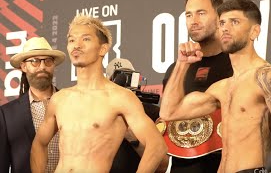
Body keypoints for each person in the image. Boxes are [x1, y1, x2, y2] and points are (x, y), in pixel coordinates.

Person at [160, 0, 271, 173]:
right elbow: (169, 112)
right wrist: (182, 64)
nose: (225, 28)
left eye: (234, 22)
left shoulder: (266, 77)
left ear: (255, 31)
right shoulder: (222, 87)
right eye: (222, 23)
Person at [30, 15, 167, 173]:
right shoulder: (60, 99)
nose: (76, 45)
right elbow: (39, 144)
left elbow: (156, 146)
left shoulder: (120, 98)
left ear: (103, 48)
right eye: (71, 40)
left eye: (86, 39)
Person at [162, 0, 233, 172]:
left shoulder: (236, 63)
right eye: (188, 15)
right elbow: (166, 114)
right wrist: (181, 65)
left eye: (201, 13)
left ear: (219, 17)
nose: (193, 21)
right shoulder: (175, 69)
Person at [0, 37, 65, 173]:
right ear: (23, 67)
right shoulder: (7, 115)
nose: (42, 66)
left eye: (47, 61)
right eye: (34, 61)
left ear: (53, 65)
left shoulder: (70, 103)